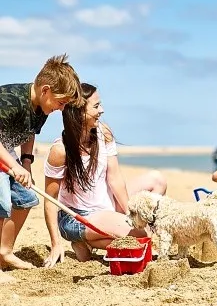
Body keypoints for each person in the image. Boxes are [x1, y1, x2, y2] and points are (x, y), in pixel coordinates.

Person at [43, 83, 167, 267]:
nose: (102, 110)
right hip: (79, 216)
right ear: (79, 113)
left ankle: (94, 240)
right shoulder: (60, 151)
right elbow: (50, 199)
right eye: (95, 106)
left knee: (157, 180)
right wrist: (55, 243)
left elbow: (115, 179)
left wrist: (131, 215)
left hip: (106, 203)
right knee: (142, 236)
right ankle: (88, 239)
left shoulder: (104, 132)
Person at [0, 54, 82, 279]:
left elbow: (28, 133)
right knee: (2, 201)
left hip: (5, 152)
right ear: (45, 90)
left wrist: (25, 162)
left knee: (25, 198)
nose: (61, 108)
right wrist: (13, 168)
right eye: (60, 102)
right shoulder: (10, 100)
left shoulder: (41, 109)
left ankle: (4, 251)